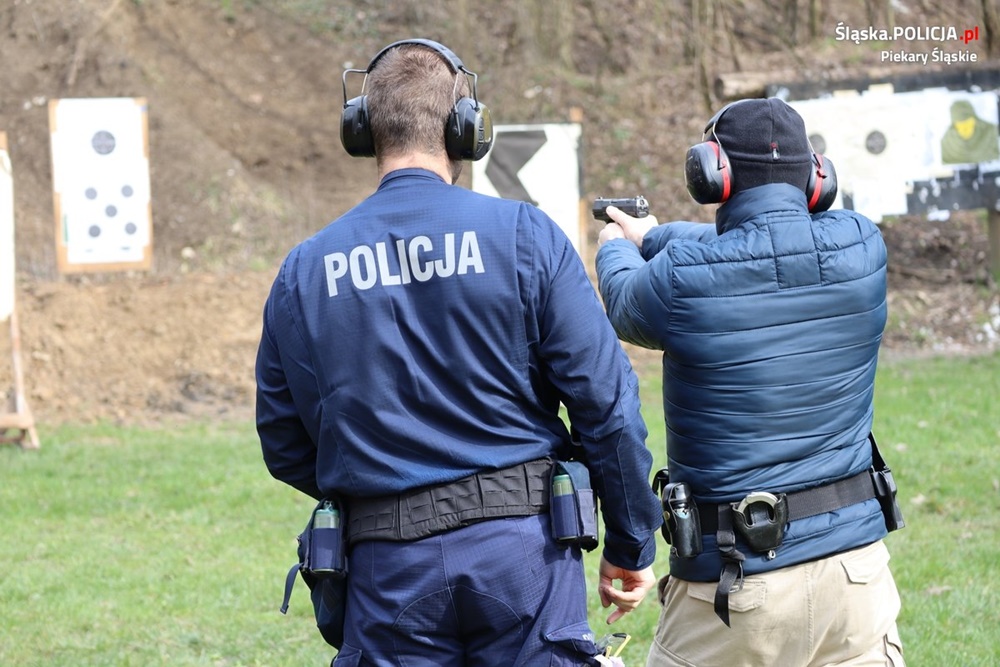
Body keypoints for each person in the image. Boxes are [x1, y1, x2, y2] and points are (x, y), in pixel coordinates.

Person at [255, 38, 662, 666]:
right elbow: (606, 404)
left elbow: (284, 441)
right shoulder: (526, 236)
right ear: (465, 128)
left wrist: (382, 480)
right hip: (524, 554)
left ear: (362, 129)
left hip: (385, 566)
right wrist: (631, 541)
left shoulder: (304, 271)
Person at [595, 98, 906, 666]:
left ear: (713, 172)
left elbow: (625, 300)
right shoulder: (862, 245)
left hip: (736, 587)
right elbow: (750, 249)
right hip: (856, 575)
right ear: (816, 177)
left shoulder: (685, 280)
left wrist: (616, 246)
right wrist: (654, 234)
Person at [940, 99, 1000, 164]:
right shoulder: (946, 143)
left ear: (975, 120)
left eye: (968, 123)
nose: (964, 129)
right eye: (960, 124)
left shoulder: (991, 131)